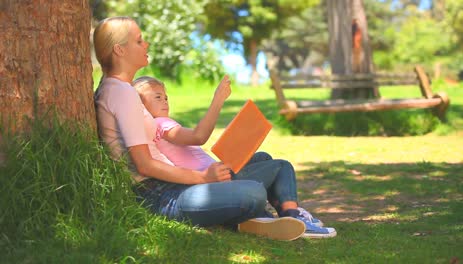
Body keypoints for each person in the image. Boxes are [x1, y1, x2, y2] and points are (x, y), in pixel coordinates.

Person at [93, 16, 336, 240]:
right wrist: (202, 177)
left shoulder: (116, 89)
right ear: (119, 49)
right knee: (253, 192)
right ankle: (263, 217)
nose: (146, 44)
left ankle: (258, 219)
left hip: (172, 185)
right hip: (160, 194)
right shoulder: (122, 93)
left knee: (260, 164)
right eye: (138, 40)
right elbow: (144, 164)